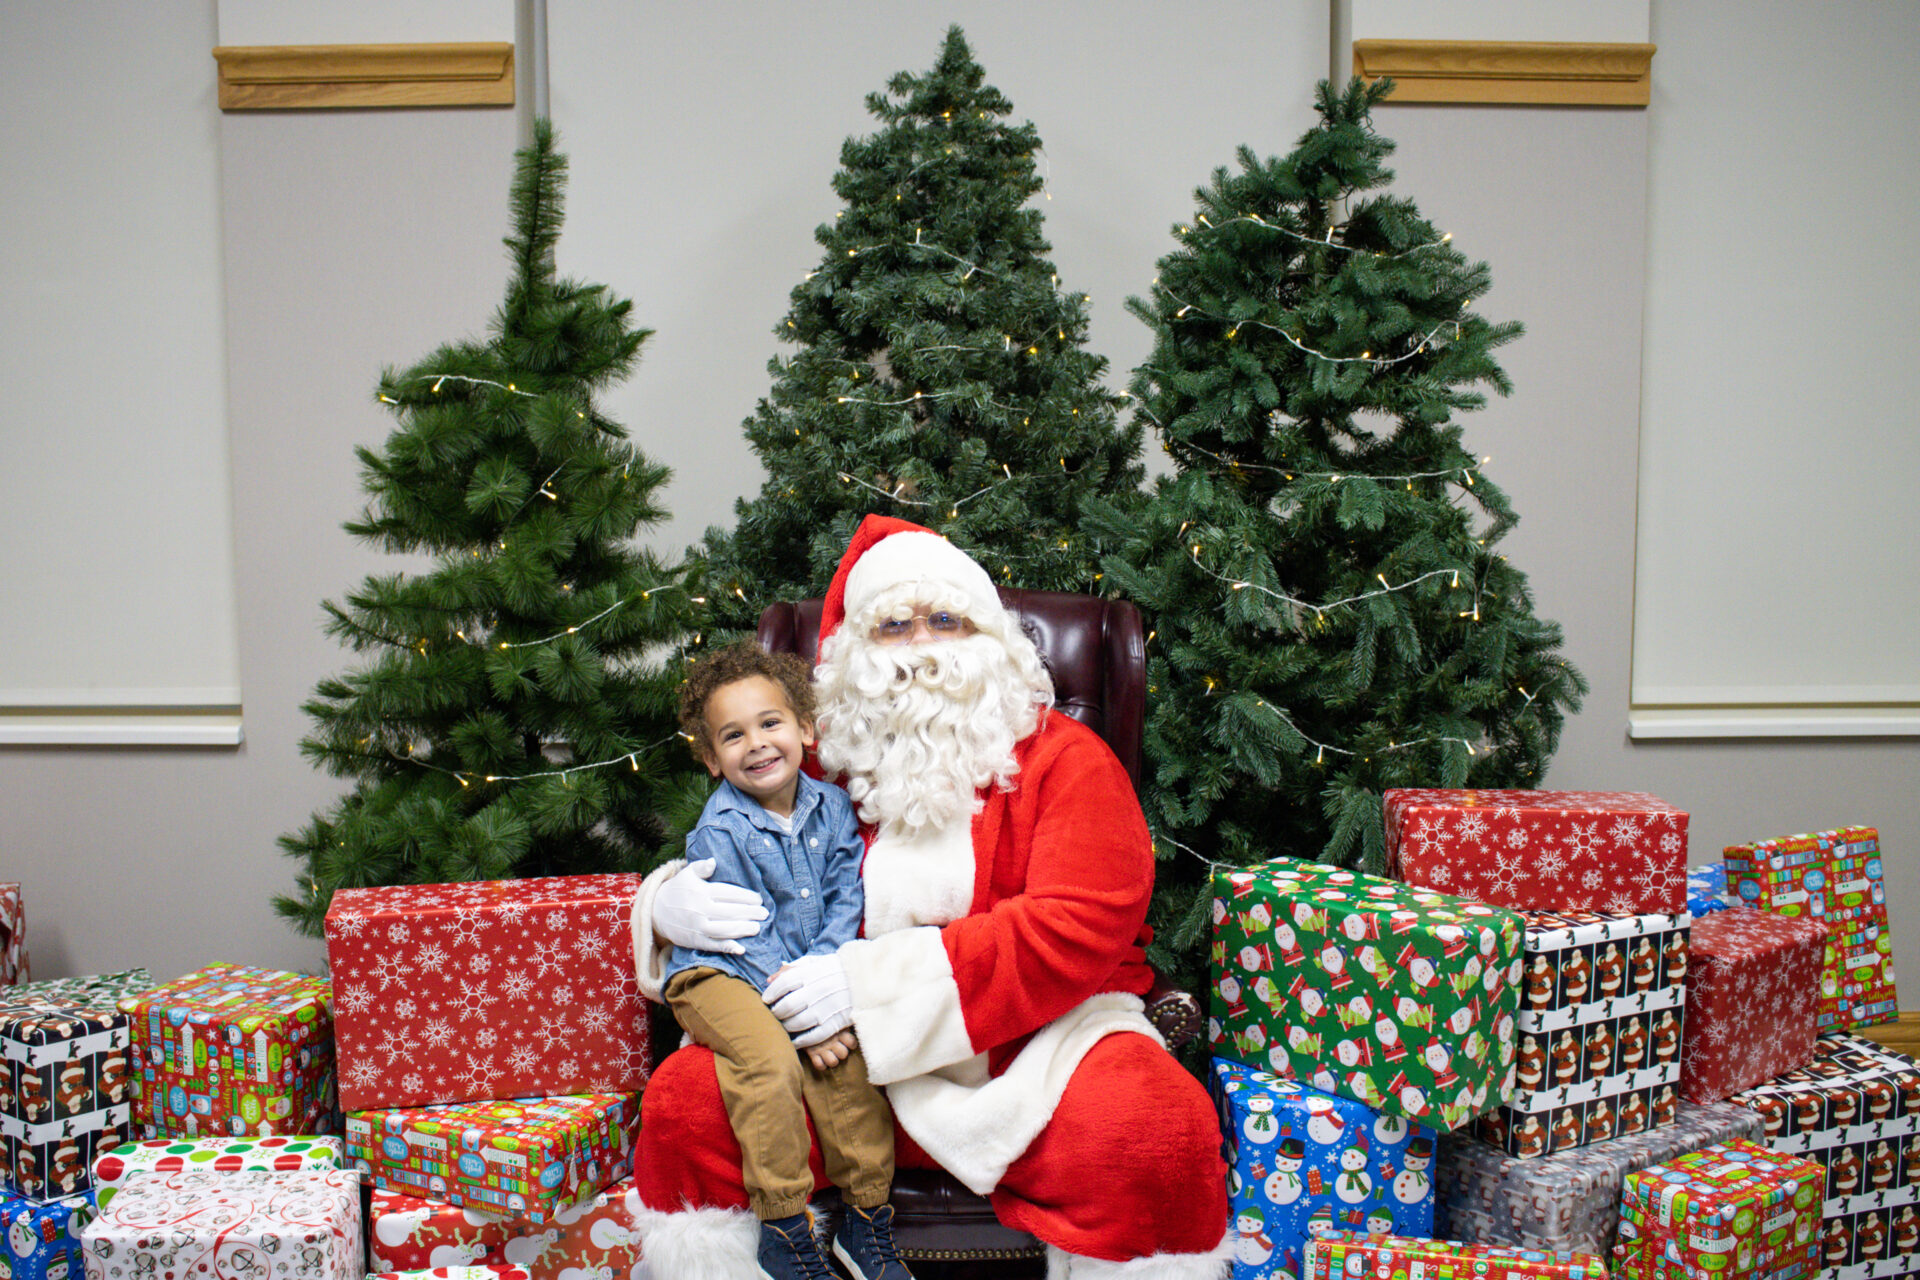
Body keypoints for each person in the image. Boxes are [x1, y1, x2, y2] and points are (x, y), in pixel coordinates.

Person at [631, 516, 1230, 1280]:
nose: (921, 644)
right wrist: (667, 904)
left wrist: (872, 984)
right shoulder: (811, 759)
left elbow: (1082, 922)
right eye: (893, 625)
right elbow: (725, 841)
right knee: (688, 1105)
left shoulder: (1068, 760)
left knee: (1154, 1132)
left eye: (945, 620)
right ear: (852, 654)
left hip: (1028, 1050)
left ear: (993, 641)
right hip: (838, 1063)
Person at [662, 641, 912, 1280]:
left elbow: (844, 895)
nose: (757, 743)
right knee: (771, 1061)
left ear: (805, 729)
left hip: (802, 969)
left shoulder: (832, 808)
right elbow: (745, 931)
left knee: (850, 1058)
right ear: (713, 759)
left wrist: (825, 986)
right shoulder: (722, 829)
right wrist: (799, 1013)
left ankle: (866, 1224)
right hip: (722, 970)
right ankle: (784, 1229)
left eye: (770, 723)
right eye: (733, 735)